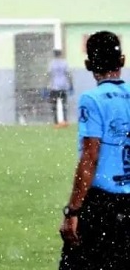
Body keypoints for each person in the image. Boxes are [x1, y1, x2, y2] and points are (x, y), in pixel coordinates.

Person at [59, 31, 130, 270]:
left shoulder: (92, 99)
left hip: (103, 207)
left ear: (89, 64)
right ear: (122, 61)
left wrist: (72, 211)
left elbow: (90, 156)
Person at [48, 49, 74, 128]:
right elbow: (68, 74)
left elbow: (49, 75)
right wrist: (71, 85)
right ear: (60, 54)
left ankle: (56, 122)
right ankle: (65, 121)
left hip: (54, 87)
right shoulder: (64, 63)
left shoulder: (51, 63)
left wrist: (47, 86)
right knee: (64, 105)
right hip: (63, 86)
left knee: (54, 106)